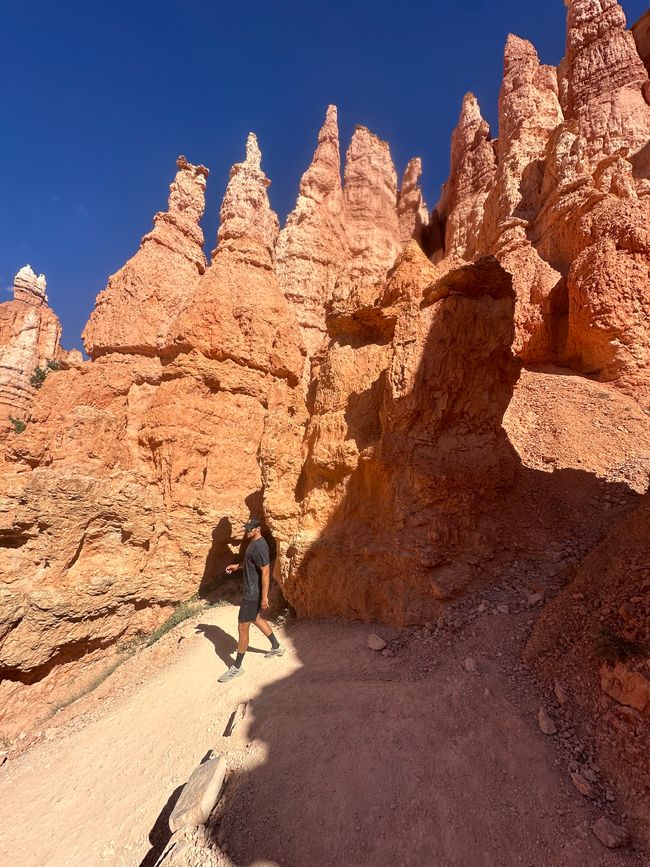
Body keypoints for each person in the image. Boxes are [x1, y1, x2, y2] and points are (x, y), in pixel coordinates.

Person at [218, 517, 284, 683]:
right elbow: (250, 563)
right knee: (255, 618)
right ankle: (276, 647)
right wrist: (237, 566)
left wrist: (264, 597)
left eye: (249, 529)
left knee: (242, 626)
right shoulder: (253, 544)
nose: (247, 531)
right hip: (251, 591)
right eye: (246, 528)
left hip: (252, 594)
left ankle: (237, 667)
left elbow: (266, 572)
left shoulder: (261, 547)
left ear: (258, 529)